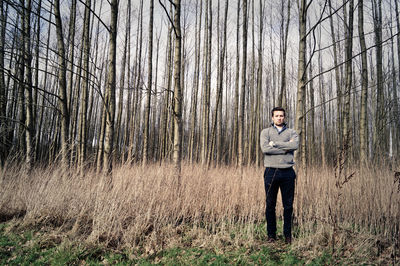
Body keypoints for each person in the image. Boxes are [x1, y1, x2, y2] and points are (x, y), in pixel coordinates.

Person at [260, 107, 299, 244]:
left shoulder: (291, 132)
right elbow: (265, 149)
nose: (279, 118)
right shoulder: (266, 132)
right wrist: (285, 149)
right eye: (276, 116)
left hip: (288, 172)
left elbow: (295, 145)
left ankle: (287, 235)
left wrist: (275, 144)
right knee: (270, 205)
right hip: (271, 171)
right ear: (272, 117)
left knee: (288, 205)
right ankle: (271, 235)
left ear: (284, 117)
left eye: (281, 116)